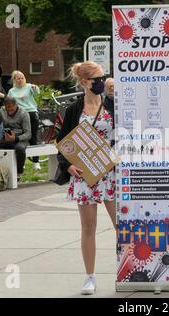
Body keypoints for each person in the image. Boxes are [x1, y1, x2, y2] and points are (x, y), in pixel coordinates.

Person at [56, 61, 116, 295]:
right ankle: (89, 276)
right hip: (84, 175)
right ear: (84, 82)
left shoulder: (111, 105)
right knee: (88, 227)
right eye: (97, 79)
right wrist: (68, 165)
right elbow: (62, 141)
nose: (101, 82)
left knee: (120, 225)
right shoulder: (74, 109)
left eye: (103, 78)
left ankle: (129, 268)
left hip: (109, 172)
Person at [0, 96, 31, 179]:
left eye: (12, 110)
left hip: (20, 140)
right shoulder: (2, 111)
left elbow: (28, 134)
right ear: (4, 106)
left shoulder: (24, 114)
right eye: (8, 110)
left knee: (20, 149)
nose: (10, 112)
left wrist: (16, 138)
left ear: (16, 105)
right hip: (5, 139)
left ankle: (19, 172)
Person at [8, 70, 41, 171]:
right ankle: (21, 162)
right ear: (14, 80)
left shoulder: (29, 86)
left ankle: (36, 162)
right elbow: (9, 103)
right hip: (19, 116)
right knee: (20, 139)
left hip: (31, 113)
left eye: (22, 78)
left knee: (33, 137)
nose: (21, 80)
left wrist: (35, 88)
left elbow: (37, 92)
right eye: (18, 78)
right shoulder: (11, 91)